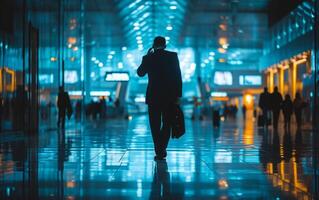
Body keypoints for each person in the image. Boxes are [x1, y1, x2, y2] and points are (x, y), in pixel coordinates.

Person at [137, 36, 182, 161]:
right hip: (169, 97)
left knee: (154, 125)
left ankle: (159, 150)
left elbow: (140, 73)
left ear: (153, 45)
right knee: (167, 123)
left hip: (153, 97)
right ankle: (162, 148)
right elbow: (178, 76)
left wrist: (146, 57)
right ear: (165, 45)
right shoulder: (173, 56)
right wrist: (178, 96)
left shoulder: (148, 58)